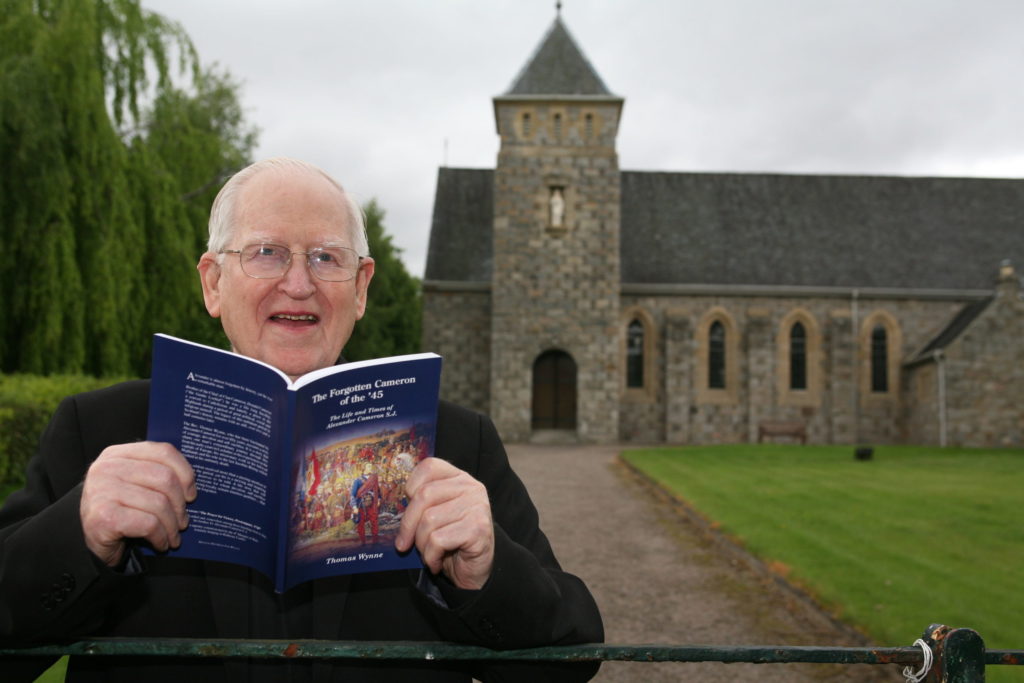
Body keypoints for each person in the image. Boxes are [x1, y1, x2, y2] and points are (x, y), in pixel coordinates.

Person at [0, 158, 603, 681]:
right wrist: (76, 538)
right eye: (266, 253)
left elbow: (572, 656)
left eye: (325, 257)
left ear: (361, 289)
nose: (298, 283)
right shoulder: (99, 428)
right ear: (213, 283)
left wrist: (489, 571)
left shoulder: (457, 442)